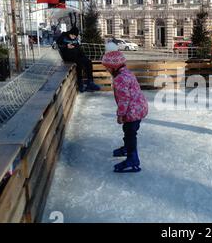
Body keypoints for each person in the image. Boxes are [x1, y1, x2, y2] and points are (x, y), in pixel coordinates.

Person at [101, 42, 149, 173]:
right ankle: (127, 148)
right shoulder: (126, 72)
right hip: (139, 107)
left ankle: (132, 159)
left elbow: (124, 99)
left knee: (130, 133)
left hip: (132, 111)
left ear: (113, 67)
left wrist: (120, 115)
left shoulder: (120, 79)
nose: (107, 70)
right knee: (129, 131)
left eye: (107, 68)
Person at [56, 26, 100, 92]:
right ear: (70, 33)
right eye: (72, 35)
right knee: (79, 63)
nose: (73, 37)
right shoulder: (63, 36)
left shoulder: (75, 39)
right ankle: (80, 84)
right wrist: (66, 46)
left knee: (88, 62)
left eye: (75, 36)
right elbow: (57, 44)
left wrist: (84, 56)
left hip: (77, 55)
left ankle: (90, 82)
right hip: (68, 56)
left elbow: (78, 48)